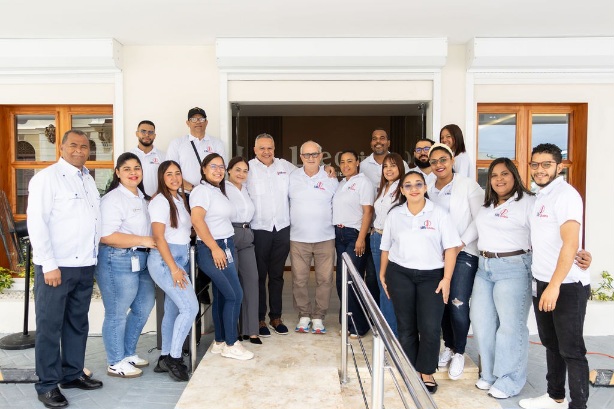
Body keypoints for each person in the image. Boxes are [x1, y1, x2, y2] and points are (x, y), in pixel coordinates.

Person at [27, 129, 104, 408]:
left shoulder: (88, 179)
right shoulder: (46, 178)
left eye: (84, 146)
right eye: (73, 145)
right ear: (61, 148)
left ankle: (72, 374)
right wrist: (48, 264)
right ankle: (47, 384)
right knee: (50, 327)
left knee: (77, 323)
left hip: (84, 264)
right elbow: (37, 222)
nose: (79, 150)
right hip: (56, 267)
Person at [519, 144, 590, 409]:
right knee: (551, 343)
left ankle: (578, 405)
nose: (540, 170)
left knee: (571, 349)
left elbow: (570, 242)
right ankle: (554, 396)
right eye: (535, 164)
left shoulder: (565, 195)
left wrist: (555, 285)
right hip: (542, 281)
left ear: (559, 167)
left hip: (566, 285)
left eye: (546, 164)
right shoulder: (540, 196)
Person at [380, 171, 461, 394]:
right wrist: (383, 275)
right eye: (408, 185)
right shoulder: (395, 215)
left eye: (418, 184)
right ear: (402, 190)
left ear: (425, 187)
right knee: (406, 326)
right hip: (400, 275)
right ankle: (411, 369)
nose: (413, 189)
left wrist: (447, 279)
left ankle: (426, 371)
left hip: (432, 276)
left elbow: (451, 248)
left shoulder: (439, 213)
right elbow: (386, 247)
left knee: (430, 327)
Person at [471, 158, 535, 399]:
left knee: (510, 326)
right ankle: (489, 374)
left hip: (514, 266)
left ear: (514, 175)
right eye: (494, 175)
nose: (499, 179)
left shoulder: (528, 202)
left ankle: (509, 380)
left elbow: (545, 233)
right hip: (484, 266)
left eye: (504, 174)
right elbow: (474, 230)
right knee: (481, 320)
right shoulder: (488, 205)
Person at [97, 152, 156, 378]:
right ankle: (115, 361)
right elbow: (106, 236)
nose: (133, 173)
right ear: (118, 173)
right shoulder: (113, 199)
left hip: (141, 259)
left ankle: (128, 353)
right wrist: (143, 240)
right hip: (117, 259)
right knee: (117, 312)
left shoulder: (143, 198)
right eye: (127, 169)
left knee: (143, 307)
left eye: (137, 168)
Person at [428, 143, 484, 380]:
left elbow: (480, 218)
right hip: (435, 255)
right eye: (434, 161)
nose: (439, 165)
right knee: (441, 302)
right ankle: (449, 347)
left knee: (458, 303)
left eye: (443, 159)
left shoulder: (468, 185)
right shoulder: (428, 186)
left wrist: (460, 243)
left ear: (452, 160)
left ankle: (460, 351)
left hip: (463, 252)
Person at [191, 153, 254, 361]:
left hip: (226, 245)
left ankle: (219, 341)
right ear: (203, 169)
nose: (218, 170)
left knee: (221, 295)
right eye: (213, 166)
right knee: (235, 295)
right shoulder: (201, 191)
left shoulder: (217, 190)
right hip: (213, 248)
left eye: (221, 166)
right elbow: (197, 221)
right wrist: (214, 248)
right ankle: (231, 343)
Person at [148, 160, 198, 382]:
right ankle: (174, 359)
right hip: (165, 261)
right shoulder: (160, 201)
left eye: (178, 173)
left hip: (180, 257)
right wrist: (174, 269)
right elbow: (159, 237)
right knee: (190, 307)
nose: (175, 178)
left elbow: (184, 231)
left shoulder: (179, 198)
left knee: (173, 310)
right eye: (169, 174)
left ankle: (165, 356)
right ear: (162, 177)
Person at [247, 133, 296, 336]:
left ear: (274, 149)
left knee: (277, 275)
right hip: (259, 229)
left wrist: (326, 169)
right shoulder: (247, 168)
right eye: (262, 148)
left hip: (282, 228)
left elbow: (307, 173)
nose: (266, 152)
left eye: (270, 148)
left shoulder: (285, 166)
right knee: (259, 276)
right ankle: (259, 319)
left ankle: (276, 317)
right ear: (255, 150)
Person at [289, 141, 338, 334]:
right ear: (301, 157)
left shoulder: (330, 177)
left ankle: (318, 316)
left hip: (325, 237)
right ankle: (304, 315)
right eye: (307, 155)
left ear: (321, 156)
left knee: (325, 280)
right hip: (298, 238)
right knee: (299, 280)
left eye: (314, 154)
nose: (311, 158)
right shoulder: (292, 177)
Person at [333, 150, 374, 337]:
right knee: (341, 281)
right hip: (339, 234)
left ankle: (359, 325)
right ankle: (347, 322)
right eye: (342, 162)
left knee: (352, 280)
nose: (346, 165)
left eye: (350, 161)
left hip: (354, 235)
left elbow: (368, 212)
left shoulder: (363, 182)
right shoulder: (342, 183)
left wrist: (361, 238)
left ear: (358, 162)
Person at [226, 156, 261, 344]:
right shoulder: (222, 189)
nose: (241, 174)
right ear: (229, 170)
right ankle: (235, 330)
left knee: (251, 281)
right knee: (233, 284)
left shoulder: (247, 189)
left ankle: (252, 330)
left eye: (245, 171)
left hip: (247, 234)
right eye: (237, 170)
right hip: (230, 233)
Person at [370, 153, 405, 336]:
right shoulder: (384, 187)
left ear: (400, 167)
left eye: (393, 165)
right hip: (377, 238)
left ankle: (393, 332)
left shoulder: (404, 187)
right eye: (385, 166)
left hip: (392, 242)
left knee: (389, 285)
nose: (389, 169)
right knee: (381, 283)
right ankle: (386, 327)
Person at [166, 107, 227, 191]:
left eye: (201, 119)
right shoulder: (177, 143)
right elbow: (169, 171)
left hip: (210, 193)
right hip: (185, 193)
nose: (198, 122)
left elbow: (222, 170)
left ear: (206, 122)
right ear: (188, 123)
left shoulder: (217, 144)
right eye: (193, 119)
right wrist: (193, 189)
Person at [130, 120, 165, 197]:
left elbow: (167, 180)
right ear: (137, 133)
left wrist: (157, 195)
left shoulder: (163, 156)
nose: (147, 135)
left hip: (157, 199)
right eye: (143, 131)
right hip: (134, 199)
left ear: (154, 136)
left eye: (150, 132)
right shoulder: (129, 156)